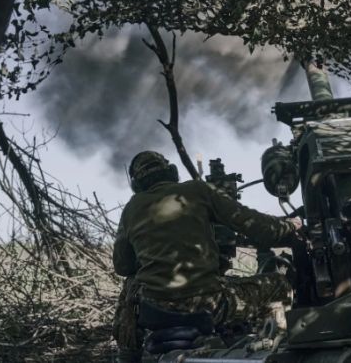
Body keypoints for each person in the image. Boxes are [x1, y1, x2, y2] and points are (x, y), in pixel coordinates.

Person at [112, 151, 301, 362]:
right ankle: (274, 349)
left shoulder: (131, 208)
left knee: (131, 284)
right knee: (279, 285)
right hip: (208, 304)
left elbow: (122, 266)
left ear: (136, 182)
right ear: (170, 171)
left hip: (156, 307)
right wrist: (288, 226)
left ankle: (128, 355)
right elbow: (255, 225)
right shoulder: (196, 190)